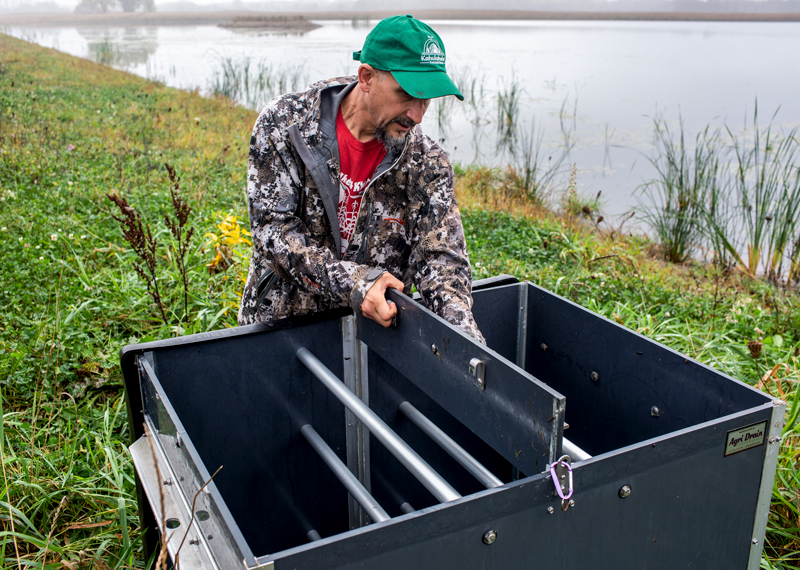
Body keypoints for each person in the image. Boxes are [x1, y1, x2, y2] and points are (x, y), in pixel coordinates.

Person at [238, 14, 485, 344]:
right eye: (406, 94)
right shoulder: (286, 125)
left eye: (426, 98)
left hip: (373, 340)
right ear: (366, 77)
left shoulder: (428, 163)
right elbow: (272, 232)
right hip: (284, 329)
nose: (417, 115)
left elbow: (441, 260)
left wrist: (463, 338)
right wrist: (354, 281)